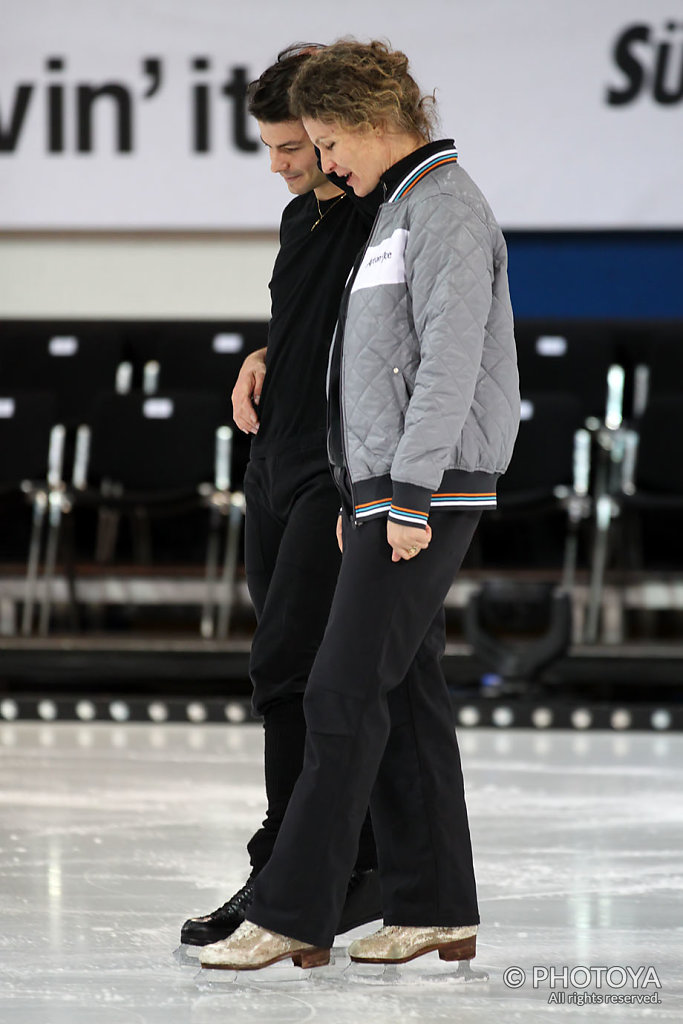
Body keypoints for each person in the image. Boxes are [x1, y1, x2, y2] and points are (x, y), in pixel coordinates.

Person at [198, 38, 520, 972]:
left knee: (337, 691)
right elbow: (363, 361)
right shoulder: (401, 207)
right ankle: (433, 906)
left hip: (418, 490)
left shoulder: (443, 210)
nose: (319, 160)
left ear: (376, 125)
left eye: (328, 140)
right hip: (376, 487)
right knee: (406, 695)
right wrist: (361, 483)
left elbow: (450, 364)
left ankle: (293, 907)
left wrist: (404, 494)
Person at [180, 46, 383, 948]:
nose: (281, 165)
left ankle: (292, 872)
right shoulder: (299, 220)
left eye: (292, 146)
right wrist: (262, 357)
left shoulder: (382, 216)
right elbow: (305, 329)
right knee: (281, 674)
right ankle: (324, 864)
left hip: (332, 469)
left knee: (293, 670)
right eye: (270, 148)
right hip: (273, 458)